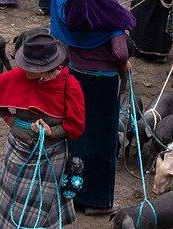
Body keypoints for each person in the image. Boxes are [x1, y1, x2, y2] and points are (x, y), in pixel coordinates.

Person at [0, 33, 85, 229]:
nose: (23, 70)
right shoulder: (18, 76)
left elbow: (75, 126)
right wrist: (10, 121)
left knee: (41, 204)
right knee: (11, 195)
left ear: (47, 68)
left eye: (29, 68)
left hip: (50, 155)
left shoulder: (69, 87)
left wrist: (51, 131)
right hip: (17, 150)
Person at [50, 0, 133, 215]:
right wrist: (125, 64)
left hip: (75, 77)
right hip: (103, 84)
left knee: (77, 135)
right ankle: (96, 201)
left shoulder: (65, 6)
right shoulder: (107, 12)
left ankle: (73, 194)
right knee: (102, 142)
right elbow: (120, 53)